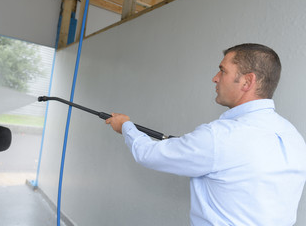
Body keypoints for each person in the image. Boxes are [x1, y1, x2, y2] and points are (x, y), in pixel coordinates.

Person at [105, 43, 306, 225]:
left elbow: (148, 154)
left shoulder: (219, 137)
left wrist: (125, 126)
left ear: (247, 81)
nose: (215, 78)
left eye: (222, 71)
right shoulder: (294, 137)